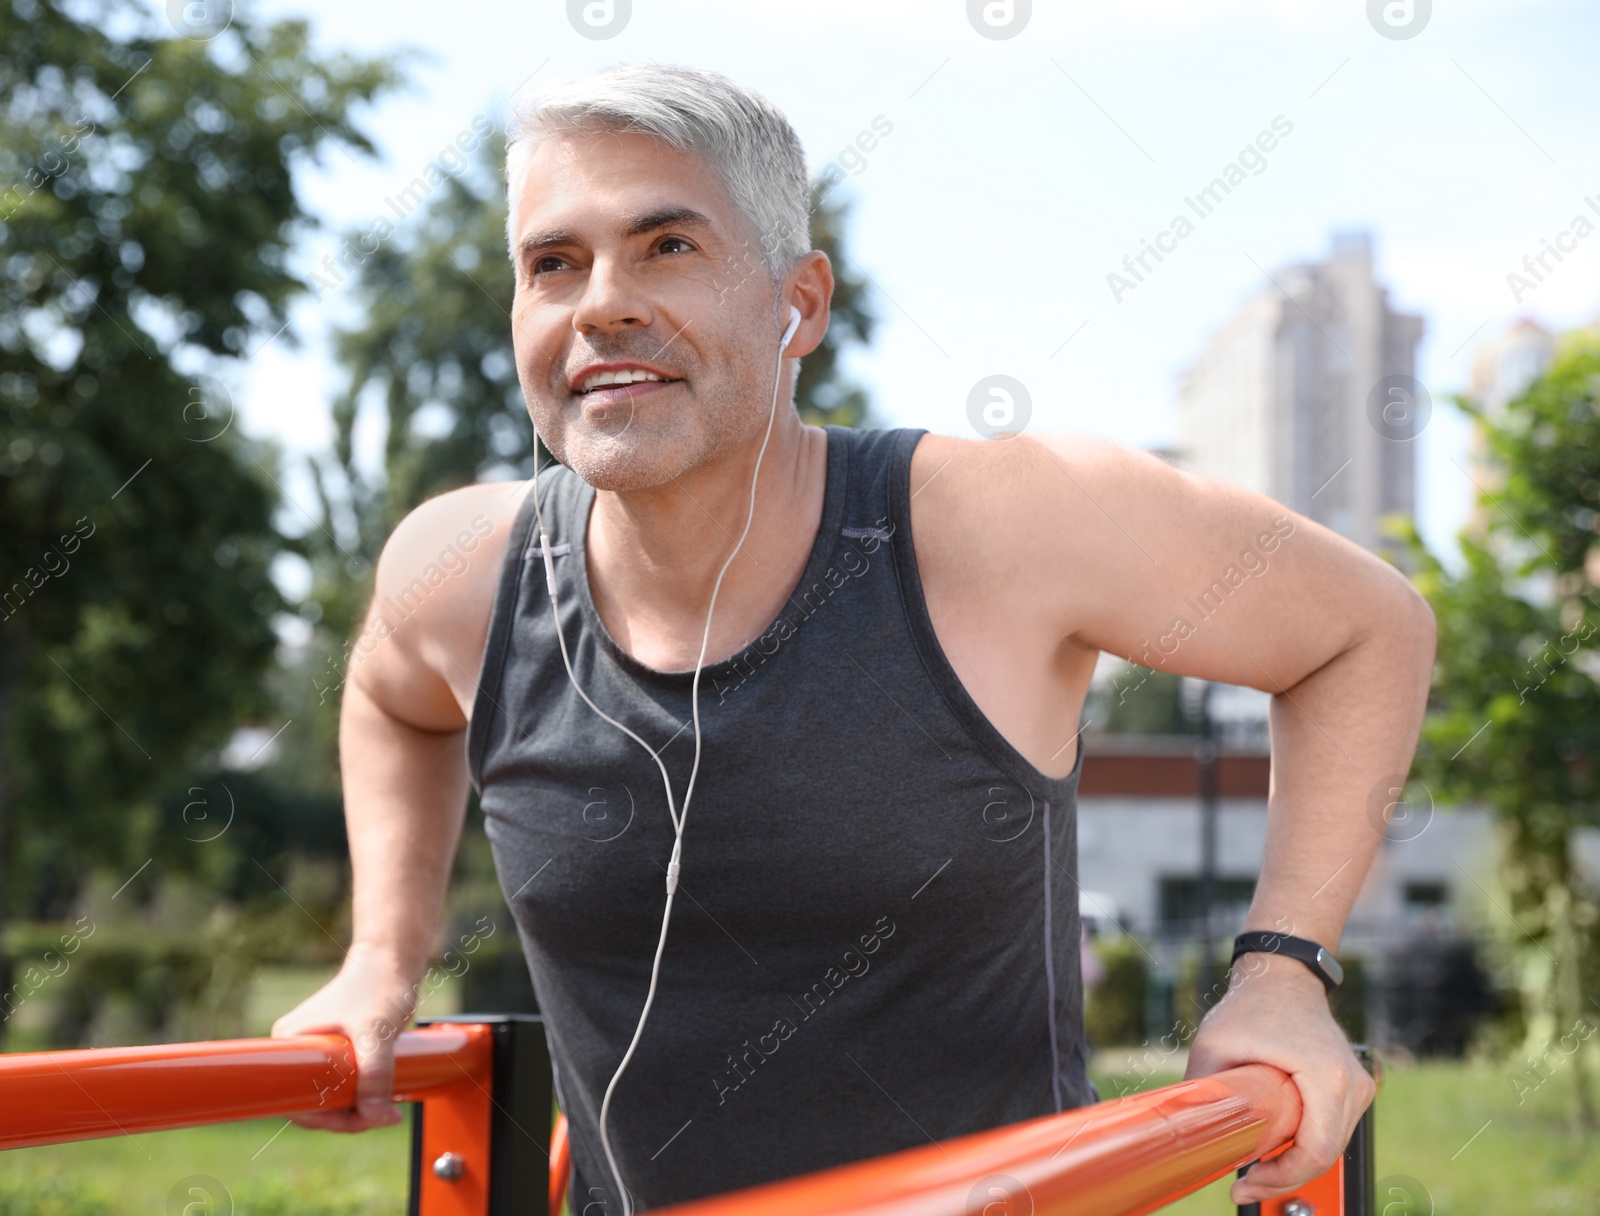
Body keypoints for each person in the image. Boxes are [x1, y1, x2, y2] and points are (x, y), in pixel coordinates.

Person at [272, 64, 1434, 1212]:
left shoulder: (988, 525)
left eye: (667, 246)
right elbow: (390, 697)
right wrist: (382, 955)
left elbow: (1363, 627)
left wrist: (1283, 972)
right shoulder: (462, 572)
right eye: (553, 264)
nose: (601, 303)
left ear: (802, 304)